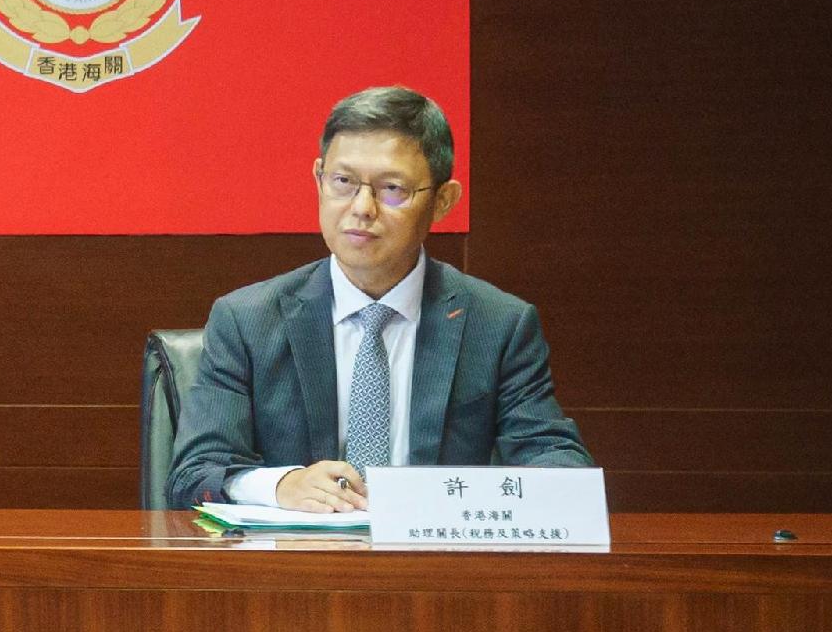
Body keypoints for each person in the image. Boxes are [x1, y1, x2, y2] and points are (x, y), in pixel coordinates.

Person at [167, 85, 590, 512]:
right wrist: (282, 486)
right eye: (344, 182)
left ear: (443, 200)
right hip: (295, 569)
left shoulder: (498, 325)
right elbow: (195, 475)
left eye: (392, 189)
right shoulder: (246, 321)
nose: (362, 207)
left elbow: (556, 463)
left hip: (434, 568)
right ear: (318, 179)